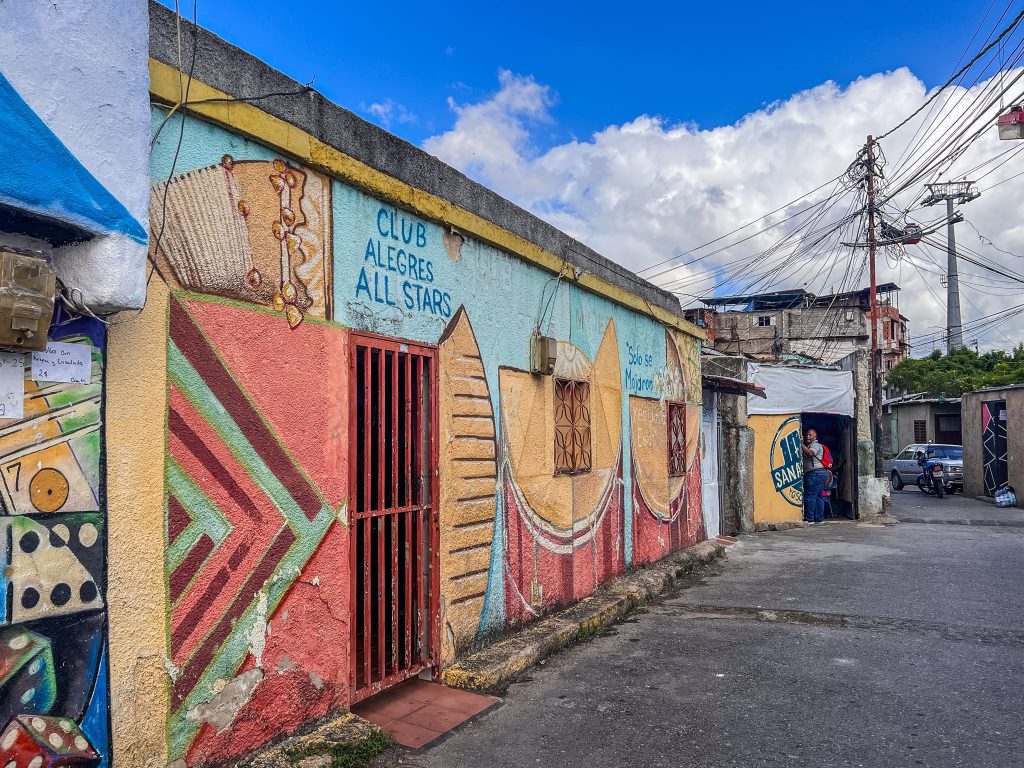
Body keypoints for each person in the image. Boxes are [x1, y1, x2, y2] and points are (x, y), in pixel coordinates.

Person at [801, 428, 828, 525]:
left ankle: (810, 518)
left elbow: (810, 453)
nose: (808, 436)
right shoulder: (811, 445)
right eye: (807, 435)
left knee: (810, 495)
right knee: (819, 496)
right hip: (820, 473)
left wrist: (800, 444)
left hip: (815, 473)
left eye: (810, 435)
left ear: (815, 437)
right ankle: (819, 518)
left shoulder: (815, 445)